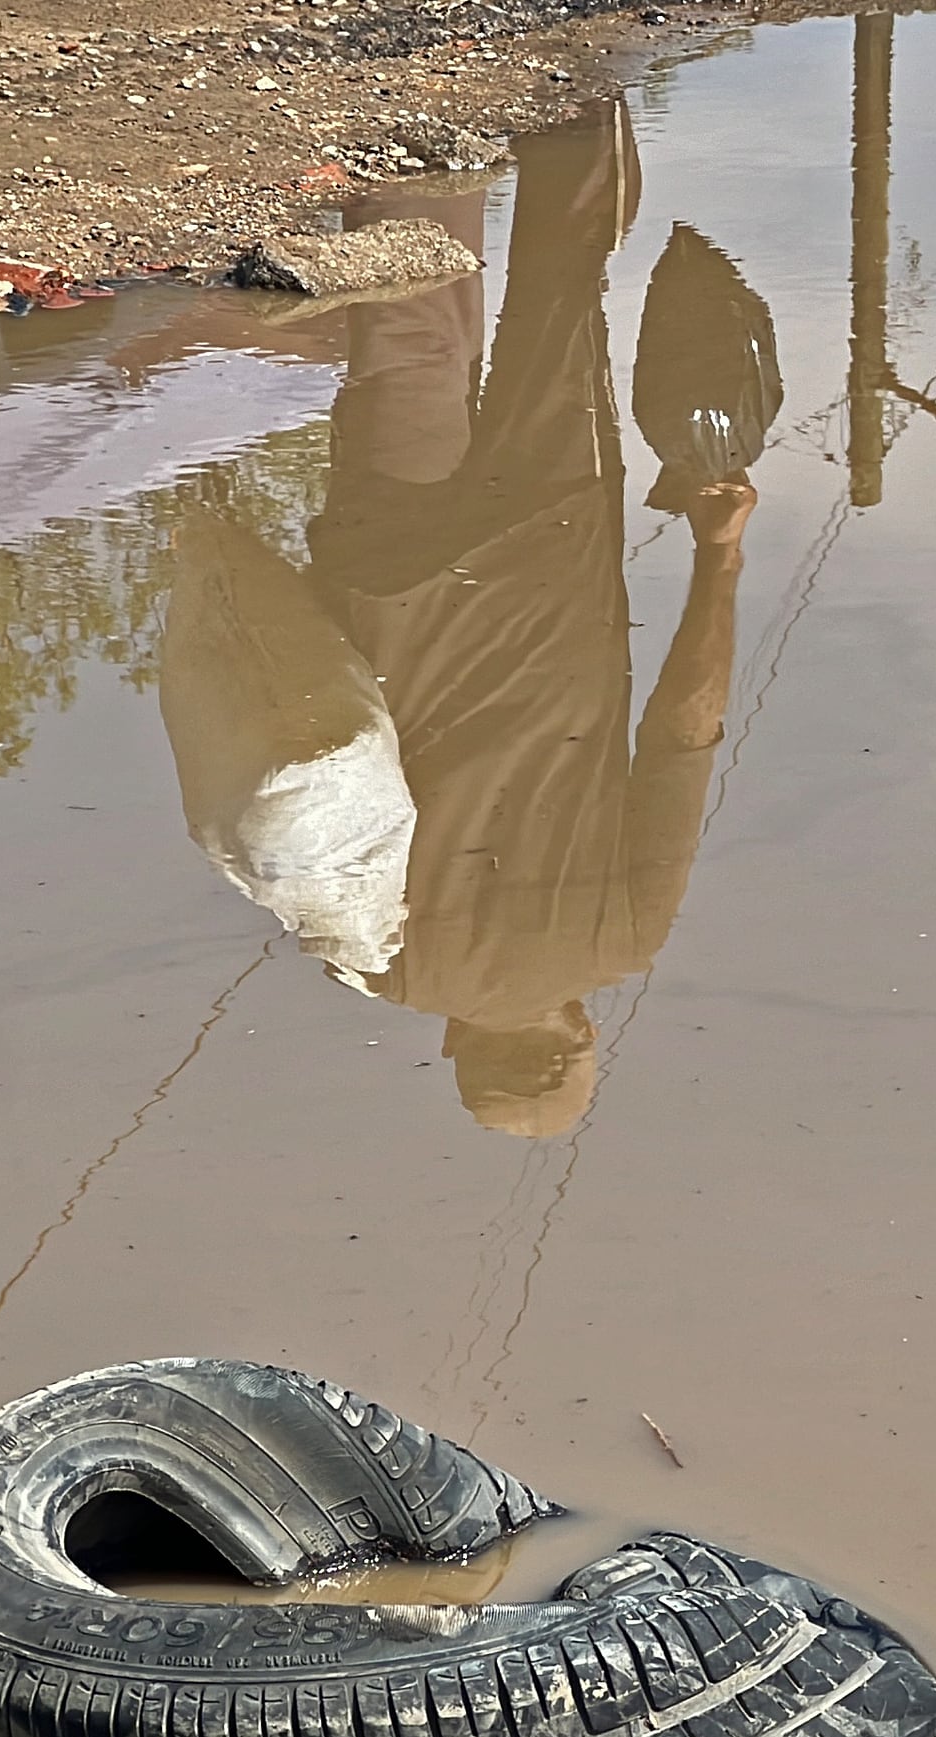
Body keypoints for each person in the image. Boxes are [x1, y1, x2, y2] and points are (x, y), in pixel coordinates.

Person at [161, 94, 765, 1136]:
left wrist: (721, 560)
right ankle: (415, 106)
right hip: (383, 586)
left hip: (550, 563)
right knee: (408, 345)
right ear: (456, 1046)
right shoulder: (390, 973)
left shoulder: (621, 940)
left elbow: (686, 727)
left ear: (578, 1033)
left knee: (562, 295)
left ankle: (568, 86)